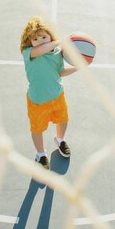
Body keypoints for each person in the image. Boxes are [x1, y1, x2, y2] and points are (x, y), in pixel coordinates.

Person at [20, 16, 77, 170]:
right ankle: (41, 154)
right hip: (37, 101)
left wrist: (79, 67)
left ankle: (60, 139)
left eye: (44, 37)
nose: (42, 41)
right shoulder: (29, 53)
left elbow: (60, 71)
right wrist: (59, 41)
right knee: (37, 129)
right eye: (36, 39)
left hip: (57, 95)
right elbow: (41, 50)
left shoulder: (56, 53)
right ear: (29, 42)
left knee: (63, 120)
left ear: (50, 36)